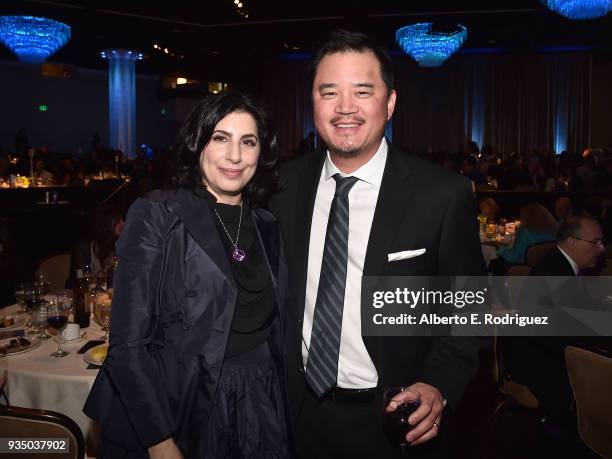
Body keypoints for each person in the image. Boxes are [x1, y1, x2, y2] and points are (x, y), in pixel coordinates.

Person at [270, 29, 486, 458]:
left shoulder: (441, 194)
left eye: (362, 91)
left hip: (390, 419)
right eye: (328, 91)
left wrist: (437, 384)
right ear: (312, 103)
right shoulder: (281, 187)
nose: (345, 107)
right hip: (293, 414)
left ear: (389, 104)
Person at [84, 91, 291, 458]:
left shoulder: (268, 224)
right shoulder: (157, 214)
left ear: (262, 152)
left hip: (260, 402)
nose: (235, 156)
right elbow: (127, 346)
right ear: (198, 144)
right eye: (220, 138)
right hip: (178, 404)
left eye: (248, 141)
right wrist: (160, 442)